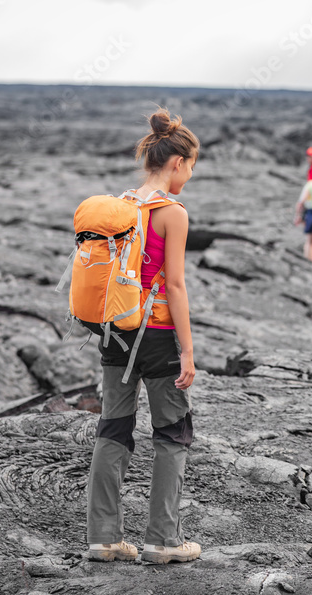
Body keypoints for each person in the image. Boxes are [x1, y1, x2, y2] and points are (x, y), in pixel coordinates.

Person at [86, 109, 202, 565]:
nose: (190, 176)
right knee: (172, 433)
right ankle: (161, 540)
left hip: (115, 332)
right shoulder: (171, 213)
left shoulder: (121, 205)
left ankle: (103, 540)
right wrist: (188, 349)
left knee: (113, 428)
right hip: (155, 335)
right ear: (176, 162)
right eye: (191, 166)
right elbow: (174, 285)